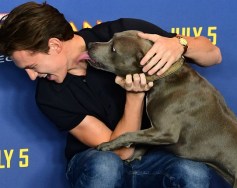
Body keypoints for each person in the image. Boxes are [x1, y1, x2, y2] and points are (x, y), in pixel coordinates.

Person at [0, 2, 222, 188]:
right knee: (106, 165)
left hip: (155, 158)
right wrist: (134, 97)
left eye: (32, 65)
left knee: (193, 172)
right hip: (95, 162)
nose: (31, 76)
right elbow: (121, 153)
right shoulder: (48, 95)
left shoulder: (125, 34)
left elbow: (213, 55)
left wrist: (180, 45)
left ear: (55, 45)